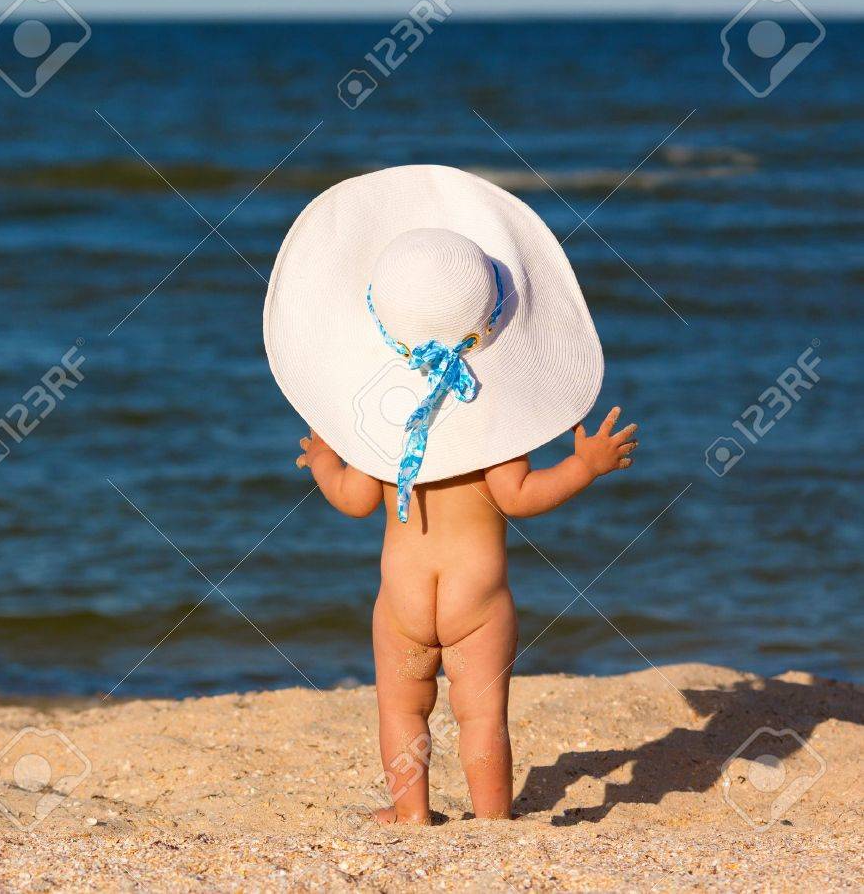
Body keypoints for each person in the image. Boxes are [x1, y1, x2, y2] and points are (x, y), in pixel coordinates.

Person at [263, 166, 636, 822]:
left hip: (402, 601)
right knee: (482, 712)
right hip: (479, 600)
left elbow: (353, 499)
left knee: (401, 706)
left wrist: (324, 460)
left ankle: (412, 814)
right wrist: (584, 467)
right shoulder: (496, 407)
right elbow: (518, 496)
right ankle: (492, 821)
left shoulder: (380, 414)